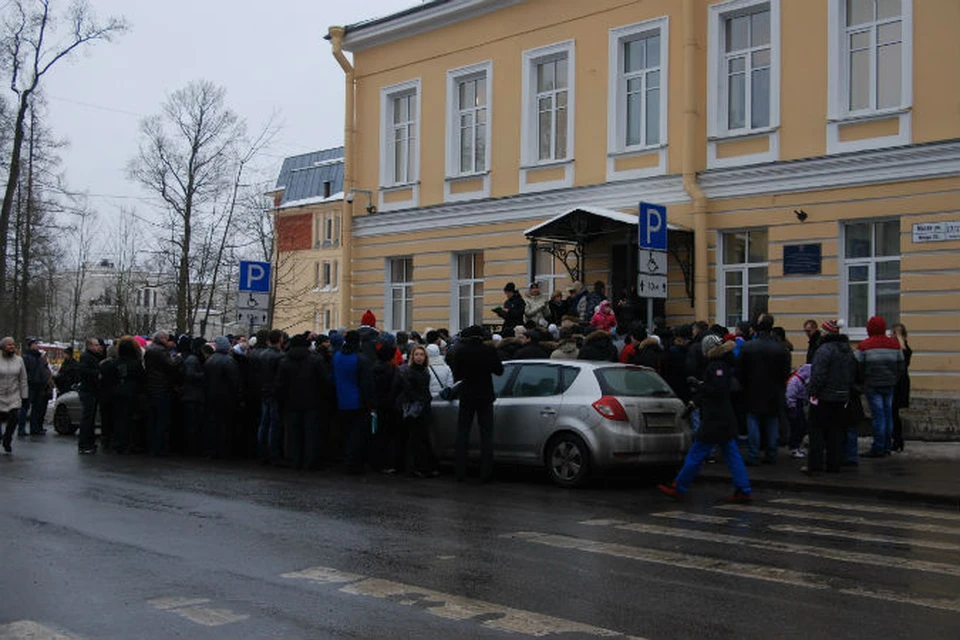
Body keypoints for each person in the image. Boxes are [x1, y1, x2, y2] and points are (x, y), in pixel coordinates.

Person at [658, 334, 752, 502]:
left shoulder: (716, 366)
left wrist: (700, 385)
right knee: (731, 454)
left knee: (697, 452)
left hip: (714, 419)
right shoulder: (723, 364)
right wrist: (698, 395)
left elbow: (716, 389)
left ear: (708, 350)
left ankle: (679, 485)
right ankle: (743, 488)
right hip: (724, 417)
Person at [451, 325, 504, 483]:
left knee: (462, 434)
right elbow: (499, 371)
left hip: (467, 395)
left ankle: (460, 472)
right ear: (481, 337)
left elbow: (457, 375)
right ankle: (485, 473)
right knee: (486, 435)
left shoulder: (461, 352)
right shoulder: (489, 351)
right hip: (485, 395)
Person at [738, 316, 791, 465]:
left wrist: (745, 384)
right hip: (774, 390)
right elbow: (785, 372)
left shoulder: (748, 347)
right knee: (772, 422)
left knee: (753, 421)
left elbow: (740, 370)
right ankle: (771, 453)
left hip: (752, 389)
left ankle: (754, 454)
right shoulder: (780, 348)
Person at [806, 319, 857, 474]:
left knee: (817, 432)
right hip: (842, 397)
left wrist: (812, 392)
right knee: (836, 432)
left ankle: (815, 465)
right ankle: (834, 464)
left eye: (822, 331)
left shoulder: (824, 350)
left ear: (826, 333)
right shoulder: (848, 350)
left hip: (824, 397)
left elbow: (818, 375)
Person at [276, 334, 331, 470]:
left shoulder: (285, 361)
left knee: (293, 433)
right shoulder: (315, 360)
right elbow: (324, 382)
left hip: (291, 402)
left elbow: (280, 385)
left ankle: (294, 460)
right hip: (312, 402)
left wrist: (281, 401)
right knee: (311, 433)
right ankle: (310, 461)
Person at [856, 315, 905, 457]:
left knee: (878, 417)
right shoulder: (894, 345)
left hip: (872, 385)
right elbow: (901, 366)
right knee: (888, 415)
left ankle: (878, 447)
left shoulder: (864, 345)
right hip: (890, 384)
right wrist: (894, 378)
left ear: (869, 329)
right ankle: (887, 446)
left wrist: (863, 381)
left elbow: (857, 365)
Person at [333, 330, 376, 474]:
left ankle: (344, 458)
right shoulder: (360, 359)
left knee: (344, 431)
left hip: (340, 399)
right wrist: (369, 402)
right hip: (357, 401)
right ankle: (353, 463)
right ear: (359, 342)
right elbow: (366, 384)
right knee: (357, 434)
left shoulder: (337, 356)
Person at [395, 345, 439, 478]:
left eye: (421, 355)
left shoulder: (425, 371)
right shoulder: (409, 372)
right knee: (416, 439)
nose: (419, 357)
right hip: (415, 409)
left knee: (421, 438)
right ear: (412, 357)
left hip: (422, 407)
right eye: (416, 355)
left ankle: (421, 466)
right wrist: (421, 399)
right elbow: (409, 391)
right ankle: (417, 467)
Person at [101, 336, 146, 455]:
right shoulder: (136, 364)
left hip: (115, 393)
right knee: (128, 420)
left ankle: (117, 442)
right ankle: (126, 443)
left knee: (116, 418)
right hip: (131, 394)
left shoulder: (113, 363)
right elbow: (141, 379)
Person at [204, 337, 242, 459]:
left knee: (213, 423)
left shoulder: (210, 360)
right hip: (226, 397)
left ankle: (211, 449)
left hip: (211, 396)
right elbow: (235, 381)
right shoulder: (229, 361)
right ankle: (224, 450)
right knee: (225, 424)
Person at [144, 331, 179, 457]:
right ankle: (159, 447)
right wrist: (177, 359)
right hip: (161, 388)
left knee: (152, 419)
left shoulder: (150, 349)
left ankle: (151, 446)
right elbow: (170, 366)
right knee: (162, 419)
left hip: (151, 387)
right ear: (162, 338)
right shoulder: (161, 351)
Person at [372, 334, 402, 474]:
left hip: (377, 405)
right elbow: (397, 387)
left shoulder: (374, 368)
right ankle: (388, 463)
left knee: (378, 434)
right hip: (390, 406)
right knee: (390, 436)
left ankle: (377, 462)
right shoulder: (393, 370)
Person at [256, 330, 285, 465]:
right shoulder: (279, 356)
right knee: (274, 424)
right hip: (274, 393)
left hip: (264, 390)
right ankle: (273, 453)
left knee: (264, 423)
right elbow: (280, 378)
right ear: (280, 339)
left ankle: (262, 452)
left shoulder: (262, 354)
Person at [0, 337, 28, 454]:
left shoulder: (19, 360)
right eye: (8, 345)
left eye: (13, 345)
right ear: (3, 347)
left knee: (14, 418)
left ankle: (7, 439)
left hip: (13, 395)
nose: (12, 347)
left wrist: (24, 396)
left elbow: (23, 379)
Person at [180, 337, 207, 456]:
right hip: (192, 396)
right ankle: (191, 448)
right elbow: (190, 375)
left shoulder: (193, 359)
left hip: (193, 395)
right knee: (192, 424)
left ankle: (191, 447)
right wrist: (204, 375)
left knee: (193, 423)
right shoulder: (193, 359)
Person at [76, 337, 103, 454]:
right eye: (96, 345)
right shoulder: (86, 357)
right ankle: (84, 444)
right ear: (89, 346)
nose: (98, 347)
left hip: (92, 391)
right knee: (87, 418)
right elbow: (84, 371)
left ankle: (89, 442)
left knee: (90, 418)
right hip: (88, 391)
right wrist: (97, 374)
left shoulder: (93, 357)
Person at [22, 338, 52, 435]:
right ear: (30, 345)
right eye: (35, 344)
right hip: (30, 385)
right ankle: (21, 429)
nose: (37, 345)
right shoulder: (26, 357)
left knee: (36, 408)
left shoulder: (39, 357)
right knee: (25, 407)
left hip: (39, 385)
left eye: (37, 343)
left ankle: (34, 428)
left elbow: (43, 370)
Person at [890, 323, 911, 452]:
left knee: (894, 412)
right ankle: (897, 440)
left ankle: (897, 439)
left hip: (899, 384)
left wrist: (899, 341)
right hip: (896, 382)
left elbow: (903, 362)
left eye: (894, 334)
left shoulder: (904, 349)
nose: (892, 336)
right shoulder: (895, 348)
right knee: (893, 413)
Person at [786, 364, 812, 459]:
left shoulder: (800, 380)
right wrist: (792, 407)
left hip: (798, 404)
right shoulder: (795, 381)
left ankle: (796, 446)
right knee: (797, 426)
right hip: (795, 405)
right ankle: (794, 447)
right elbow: (790, 395)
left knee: (801, 426)